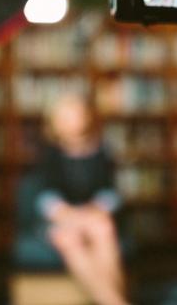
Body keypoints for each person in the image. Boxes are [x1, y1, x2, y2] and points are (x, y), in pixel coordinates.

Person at [33, 91, 128, 305]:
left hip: (94, 214)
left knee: (103, 228)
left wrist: (95, 209)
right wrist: (68, 214)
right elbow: (45, 195)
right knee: (68, 238)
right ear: (54, 122)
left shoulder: (102, 149)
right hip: (62, 217)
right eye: (64, 117)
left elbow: (111, 192)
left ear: (86, 116)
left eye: (75, 114)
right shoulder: (49, 153)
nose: (71, 122)